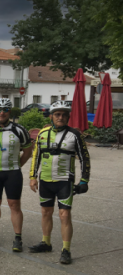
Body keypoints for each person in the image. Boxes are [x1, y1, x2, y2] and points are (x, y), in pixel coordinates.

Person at [28, 100, 90, 264]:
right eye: (57, 114)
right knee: (45, 212)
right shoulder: (42, 134)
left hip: (64, 181)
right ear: (51, 116)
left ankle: (66, 250)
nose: (60, 117)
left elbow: (84, 158)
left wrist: (84, 180)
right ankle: (46, 243)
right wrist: (33, 177)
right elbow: (36, 156)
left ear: (68, 117)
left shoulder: (75, 135)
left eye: (64, 114)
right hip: (45, 180)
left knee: (64, 215)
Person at [0, 98, 33, 251]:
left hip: (12, 173)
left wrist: (17, 165)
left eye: (5, 110)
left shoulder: (19, 130)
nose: (1, 113)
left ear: (10, 112)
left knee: (14, 205)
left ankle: (18, 238)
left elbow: (28, 151)